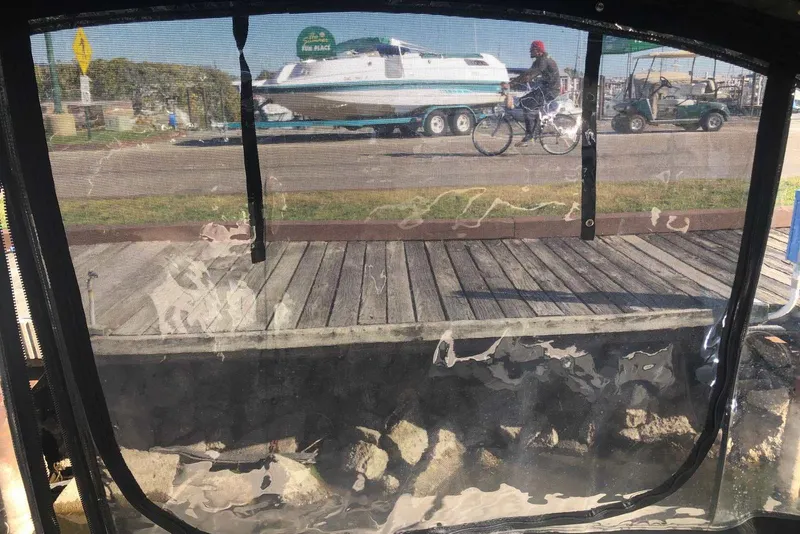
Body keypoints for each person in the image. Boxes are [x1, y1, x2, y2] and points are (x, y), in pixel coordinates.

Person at [509, 40, 560, 146]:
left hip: (551, 90)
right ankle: (535, 131)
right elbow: (528, 73)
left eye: (531, 49)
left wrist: (512, 84)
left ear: (538, 50)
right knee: (526, 102)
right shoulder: (539, 60)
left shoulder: (543, 61)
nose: (529, 51)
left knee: (526, 103)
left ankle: (529, 136)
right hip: (546, 88)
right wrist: (512, 83)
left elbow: (532, 74)